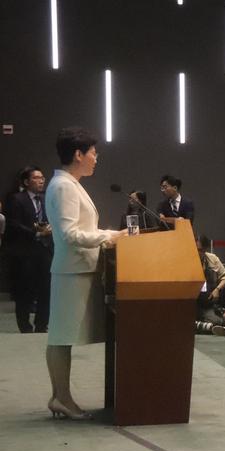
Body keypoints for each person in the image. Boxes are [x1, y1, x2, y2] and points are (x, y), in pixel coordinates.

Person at [44, 127, 126, 419]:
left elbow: (79, 229)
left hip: (78, 269)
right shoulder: (64, 186)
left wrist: (108, 235)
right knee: (61, 337)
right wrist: (109, 236)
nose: (96, 157)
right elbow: (70, 234)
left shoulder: (69, 183)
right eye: (93, 152)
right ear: (78, 154)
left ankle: (61, 396)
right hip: (72, 271)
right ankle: (61, 398)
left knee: (62, 336)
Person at [4, 167, 53, 333]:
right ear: (26, 182)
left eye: (42, 177)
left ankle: (42, 325)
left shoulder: (46, 199)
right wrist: (36, 232)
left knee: (46, 289)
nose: (41, 180)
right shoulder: (17, 199)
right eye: (36, 178)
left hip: (45, 249)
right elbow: (14, 224)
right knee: (25, 290)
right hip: (25, 251)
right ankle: (25, 326)